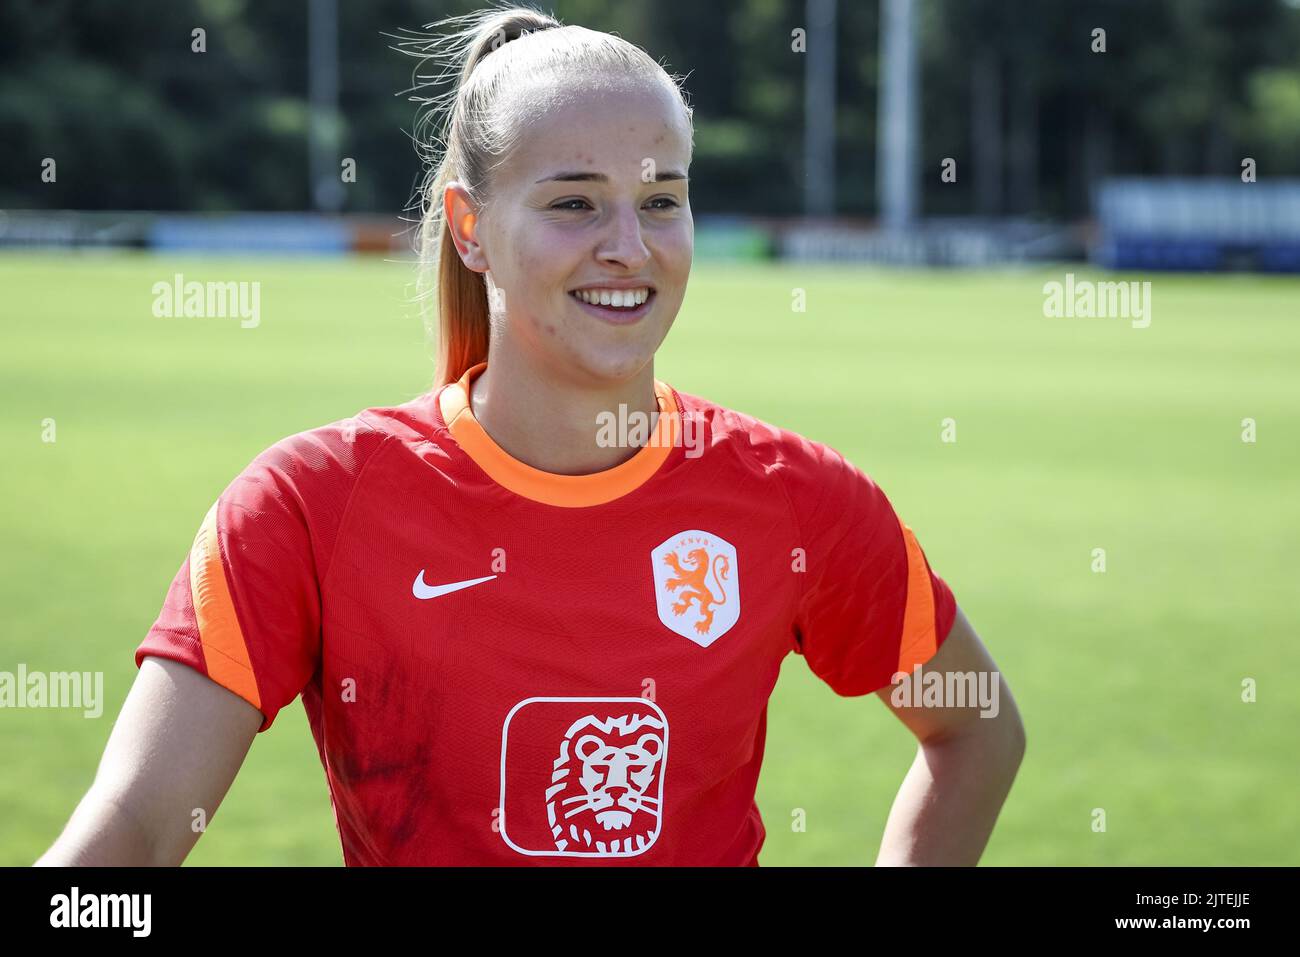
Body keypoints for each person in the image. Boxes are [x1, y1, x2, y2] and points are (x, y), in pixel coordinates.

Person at [36, 3, 1023, 867]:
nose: (628, 248)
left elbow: (978, 730)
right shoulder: (307, 504)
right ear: (469, 227)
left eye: (660, 202)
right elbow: (138, 821)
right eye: (574, 203)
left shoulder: (794, 497)